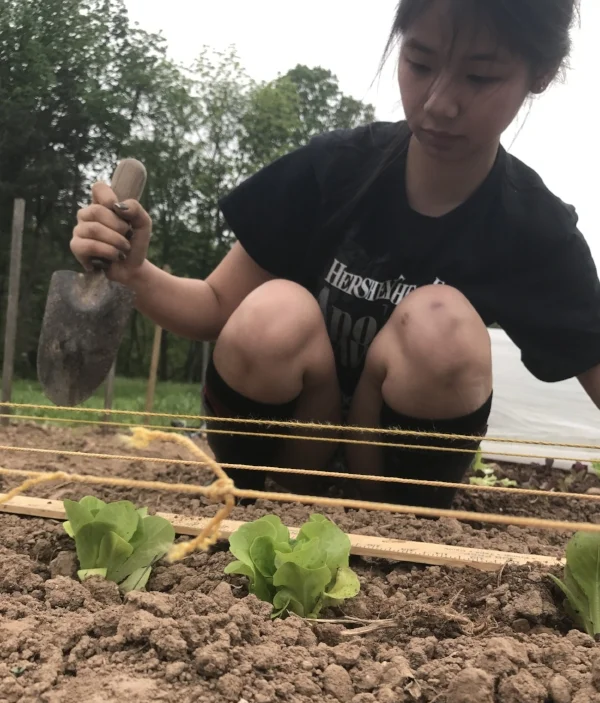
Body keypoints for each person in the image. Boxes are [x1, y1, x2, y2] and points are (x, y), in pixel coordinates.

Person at [69, 0, 600, 510]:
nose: (438, 102)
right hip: (289, 461)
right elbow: (215, 305)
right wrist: (133, 272)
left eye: (479, 77)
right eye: (419, 62)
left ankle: (390, 519)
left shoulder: (532, 228)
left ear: (541, 73)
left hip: (396, 484)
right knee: (273, 308)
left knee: (443, 321)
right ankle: (265, 504)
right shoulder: (335, 169)